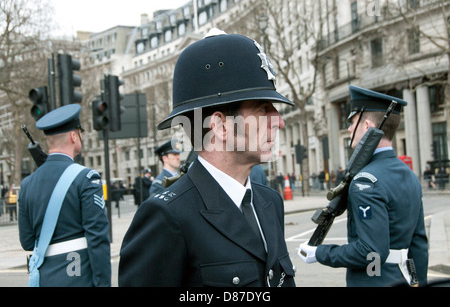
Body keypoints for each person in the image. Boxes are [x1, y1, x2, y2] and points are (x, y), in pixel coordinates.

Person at [119, 30, 296, 287]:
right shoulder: (167, 216)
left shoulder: (269, 202)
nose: (278, 120)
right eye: (263, 109)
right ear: (221, 126)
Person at [299, 85, 428, 287]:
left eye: (352, 122)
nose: (349, 128)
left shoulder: (366, 180)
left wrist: (320, 253)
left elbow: (371, 251)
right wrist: (419, 282)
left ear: (367, 126)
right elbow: (419, 244)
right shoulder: (409, 175)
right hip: (404, 279)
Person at [18, 104, 111, 287]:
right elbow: (97, 238)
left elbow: (27, 241)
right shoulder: (86, 178)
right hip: (78, 277)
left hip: (44, 279)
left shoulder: (27, 184)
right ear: (73, 136)